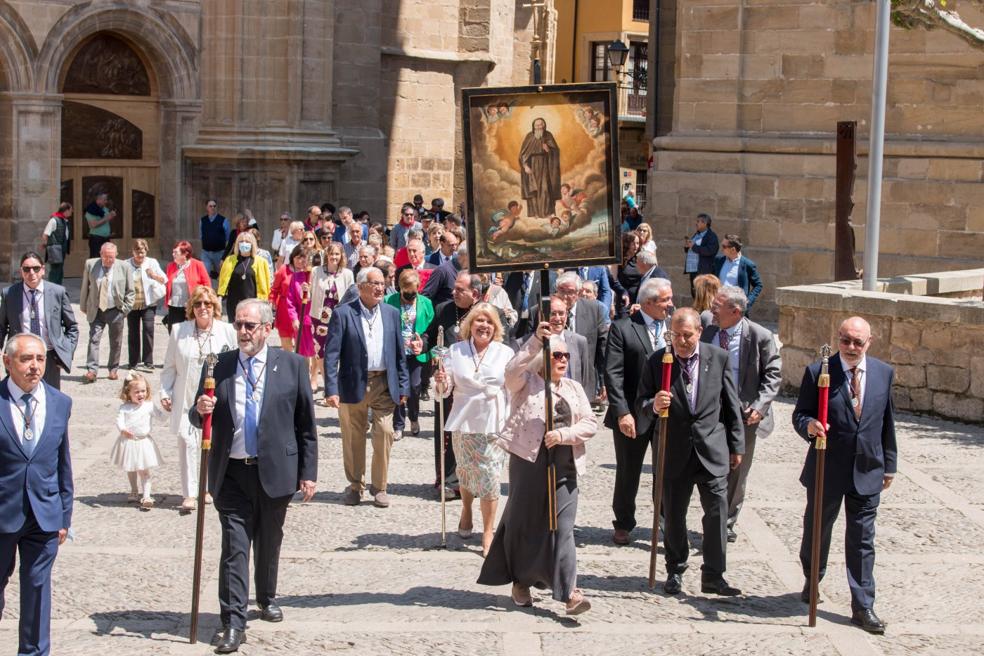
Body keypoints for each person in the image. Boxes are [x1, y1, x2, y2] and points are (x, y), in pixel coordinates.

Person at [191, 299, 318, 653]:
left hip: (276, 470)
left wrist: (308, 473)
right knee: (234, 547)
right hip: (231, 472)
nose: (243, 332)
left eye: (250, 325)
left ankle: (265, 596)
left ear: (266, 328)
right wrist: (199, 409)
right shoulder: (219, 364)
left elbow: (306, 426)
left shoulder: (292, 365)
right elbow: (196, 414)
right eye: (238, 324)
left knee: (268, 539)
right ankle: (233, 622)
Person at [478, 332, 596, 614]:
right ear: (543, 358)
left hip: (565, 464)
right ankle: (521, 581)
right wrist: (535, 341)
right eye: (557, 355)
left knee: (563, 527)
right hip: (529, 461)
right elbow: (511, 372)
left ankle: (570, 593)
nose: (563, 360)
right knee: (525, 524)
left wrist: (565, 434)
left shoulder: (573, 387)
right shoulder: (526, 383)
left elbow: (591, 422)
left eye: (566, 355)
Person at [793, 316, 897, 635]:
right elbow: (800, 414)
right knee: (818, 529)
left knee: (862, 539)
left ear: (870, 342)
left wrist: (889, 463)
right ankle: (813, 578)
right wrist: (809, 426)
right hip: (828, 468)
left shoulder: (883, 373)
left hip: (867, 468)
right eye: (845, 340)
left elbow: (886, 421)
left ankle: (862, 606)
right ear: (837, 338)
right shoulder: (818, 372)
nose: (850, 347)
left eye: (857, 342)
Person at [635, 308, 744, 597]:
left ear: (699, 332)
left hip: (712, 449)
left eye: (688, 335)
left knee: (717, 512)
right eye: (676, 335)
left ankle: (714, 574)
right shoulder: (658, 361)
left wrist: (737, 446)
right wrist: (653, 406)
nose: (682, 341)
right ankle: (675, 569)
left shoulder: (717, 358)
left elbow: (731, 404)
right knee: (673, 514)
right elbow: (641, 402)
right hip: (673, 450)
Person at [0, 333, 73, 656]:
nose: (34, 367)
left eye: (40, 359)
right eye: (26, 359)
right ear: (7, 362)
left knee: (37, 591)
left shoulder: (60, 403)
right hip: (3, 513)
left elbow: (62, 463)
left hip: (44, 515)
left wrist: (64, 516)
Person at [323, 267, 409, 508]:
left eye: (382, 283)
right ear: (360, 287)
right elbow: (331, 354)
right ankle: (355, 485)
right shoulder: (343, 314)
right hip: (352, 382)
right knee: (353, 436)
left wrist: (403, 386)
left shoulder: (392, 313)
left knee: (384, 432)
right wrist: (331, 388)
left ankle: (380, 487)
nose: (380, 288)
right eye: (374, 283)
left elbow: (399, 353)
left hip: (383, 382)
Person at [701, 286, 781, 543]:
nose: (712, 310)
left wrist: (760, 406)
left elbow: (773, 375)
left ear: (735, 312)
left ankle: (726, 521)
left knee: (737, 469)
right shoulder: (708, 326)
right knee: (709, 466)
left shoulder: (760, 336)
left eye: (717, 306)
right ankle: (713, 515)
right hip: (711, 410)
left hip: (744, 412)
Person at [433, 302, 511, 554]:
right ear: (470, 325)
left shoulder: (505, 353)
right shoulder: (455, 351)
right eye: (479, 321)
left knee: (489, 477)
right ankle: (466, 510)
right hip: (464, 420)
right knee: (466, 473)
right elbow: (441, 393)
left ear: (495, 327)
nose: (484, 326)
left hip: (494, 422)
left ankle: (488, 531)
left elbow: (512, 388)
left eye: (489, 322)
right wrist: (440, 382)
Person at [604, 277, 674, 545]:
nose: (670, 304)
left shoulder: (672, 327)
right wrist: (622, 412)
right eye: (665, 300)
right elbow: (613, 373)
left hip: (667, 412)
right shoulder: (623, 328)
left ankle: (666, 519)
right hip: (633, 412)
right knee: (628, 470)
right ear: (648, 302)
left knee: (666, 470)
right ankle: (623, 521)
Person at [160, 285, 236, 513]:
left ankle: (207, 487)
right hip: (186, 395)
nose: (203, 308)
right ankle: (189, 493)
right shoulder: (179, 331)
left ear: (215, 307)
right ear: (192, 308)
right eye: (199, 304)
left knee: (211, 444)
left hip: (214, 397)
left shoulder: (227, 331)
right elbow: (169, 367)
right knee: (187, 443)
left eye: (208, 304)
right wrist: (165, 392)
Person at [0, 252, 79, 390]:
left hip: (49, 358)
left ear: (42, 269)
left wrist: (65, 352)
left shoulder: (57, 292)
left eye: (36, 268)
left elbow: (72, 327)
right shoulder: (10, 294)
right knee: (18, 400)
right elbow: (1, 327)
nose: (32, 272)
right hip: (20, 357)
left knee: (50, 402)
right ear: (21, 271)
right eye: (27, 269)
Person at [386, 270, 433, 440]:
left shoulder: (426, 303)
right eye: (407, 293)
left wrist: (423, 342)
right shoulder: (389, 301)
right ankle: (398, 425)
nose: (410, 296)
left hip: (416, 353)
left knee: (414, 387)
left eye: (414, 293)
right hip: (397, 352)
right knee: (398, 388)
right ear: (400, 288)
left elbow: (430, 329)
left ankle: (413, 417)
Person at [79, 242, 134, 383]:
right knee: (94, 339)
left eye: (112, 257)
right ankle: (92, 370)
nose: (109, 260)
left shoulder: (124, 267)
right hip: (96, 309)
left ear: (116, 255)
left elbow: (130, 291)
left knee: (116, 341)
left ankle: (113, 369)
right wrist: (83, 305)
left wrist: (125, 310)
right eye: (106, 257)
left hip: (115, 310)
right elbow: (86, 286)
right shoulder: (90, 264)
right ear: (101, 254)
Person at [110, 372, 165, 510]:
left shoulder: (149, 405)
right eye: (137, 392)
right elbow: (119, 420)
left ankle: (146, 495)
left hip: (143, 442)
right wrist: (123, 429)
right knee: (131, 467)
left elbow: (161, 417)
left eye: (143, 391)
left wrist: (167, 409)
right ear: (128, 393)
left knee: (144, 471)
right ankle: (134, 490)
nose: (141, 394)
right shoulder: (125, 407)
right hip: (129, 441)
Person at [308, 242, 355, 379]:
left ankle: (336, 384)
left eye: (337, 254)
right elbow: (307, 295)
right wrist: (304, 290)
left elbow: (351, 297)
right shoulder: (316, 271)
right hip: (318, 319)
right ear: (326, 255)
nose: (334, 257)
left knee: (337, 352)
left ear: (341, 256)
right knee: (320, 353)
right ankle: (328, 386)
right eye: (331, 253)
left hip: (339, 319)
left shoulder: (347, 274)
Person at [124, 239, 167, 371]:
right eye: (137, 252)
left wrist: (153, 275)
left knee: (148, 330)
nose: (140, 255)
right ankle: (133, 361)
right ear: (133, 251)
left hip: (148, 303)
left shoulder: (152, 262)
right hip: (132, 304)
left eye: (142, 252)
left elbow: (164, 279)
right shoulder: (126, 264)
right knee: (133, 332)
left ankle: (148, 360)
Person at [218, 231, 271, 320]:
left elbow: (266, 284)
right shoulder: (229, 260)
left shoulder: (261, 262)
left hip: (254, 304)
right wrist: (219, 298)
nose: (244, 244)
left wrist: (266, 302)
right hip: (234, 303)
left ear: (252, 244)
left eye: (247, 242)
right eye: (241, 242)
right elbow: (223, 282)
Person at [519, 118, 562, 218]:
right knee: (533, 190)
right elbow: (522, 154)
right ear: (533, 126)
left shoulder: (548, 135)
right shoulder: (529, 136)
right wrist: (525, 166)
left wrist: (548, 149)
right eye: (537, 125)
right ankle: (535, 214)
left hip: (545, 165)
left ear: (544, 125)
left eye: (541, 124)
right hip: (532, 165)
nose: (539, 127)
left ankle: (547, 213)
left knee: (546, 189)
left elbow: (555, 151)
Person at [164, 240, 211, 332]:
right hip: (174, 306)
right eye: (173, 252)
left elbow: (207, 285)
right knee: (174, 333)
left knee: (192, 333)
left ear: (185, 253)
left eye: (176, 252)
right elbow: (167, 284)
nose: (173, 254)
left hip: (192, 306)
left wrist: (203, 301)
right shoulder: (170, 266)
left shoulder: (198, 265)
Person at [713, 235, 764, 313]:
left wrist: (748, 301)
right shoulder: (718, 260)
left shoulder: (747, 265)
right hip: (718, 305)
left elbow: (758, 285)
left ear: (733, 249)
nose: (721, 249)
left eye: (724, 246)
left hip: (736, 308)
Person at [269, 247, 306, 353]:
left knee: (302, 342)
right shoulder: (283, 269)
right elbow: (274, 289)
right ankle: (288, 364)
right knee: (286, 342)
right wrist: (272, 301)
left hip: (301, 308)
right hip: (284, 309)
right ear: (292, 258)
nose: (300, 260)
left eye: (303, 257)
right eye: (298, 257)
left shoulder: (308, 272)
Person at [684, 213, 720, 296]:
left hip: (703, 270)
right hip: (693, 269)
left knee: (703, 294)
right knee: (694, 293)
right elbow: (693, 248)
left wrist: (693, 246)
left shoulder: (711, 236)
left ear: (705, 223)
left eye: (698, 221)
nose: (696, 223)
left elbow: (710, 251)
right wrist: (687, 246)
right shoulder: (697, 234)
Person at [41, 202, 72, 285]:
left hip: (62, 248)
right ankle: (52, 288)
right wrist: (45, 244)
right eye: (70, 210)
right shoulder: (54, 220)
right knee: (55, 270)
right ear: (66, 210)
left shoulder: (64, 221)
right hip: (55, 249)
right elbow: (45, 234)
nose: (71, 212)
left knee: (60, 270)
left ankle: (58, 288)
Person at [200, 199, 230, 279]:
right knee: (204, 274)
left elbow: (227, 236)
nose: (212, 208)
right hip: (206, 253)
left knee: (222, 275)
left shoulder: (223, 220)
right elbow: (201, 235)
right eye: (210, 206)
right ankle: (206, 291)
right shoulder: (202, 220)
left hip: (219, 253)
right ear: (207, 207)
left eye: (214, 206)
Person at [84, 192, 115, 258]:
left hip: (106, 239)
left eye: (106, 200)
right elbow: (93, 225)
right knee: (96, 260)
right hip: (96, 240)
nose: (106, 201)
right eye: (104, 200)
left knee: (107, 259)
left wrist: (111, 216)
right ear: (98, 200)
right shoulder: (91, 210)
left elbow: (105, 222)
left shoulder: (105, 209)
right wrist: (107, 218)